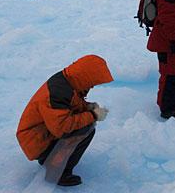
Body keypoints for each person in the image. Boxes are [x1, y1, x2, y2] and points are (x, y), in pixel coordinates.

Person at [16, 55, 114, 186]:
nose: (92, 87)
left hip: (41, 134)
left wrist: (87, 107)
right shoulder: (57, 92)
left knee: (86, 126)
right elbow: (62, 127)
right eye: (92, 83)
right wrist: (93, 115)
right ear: (86, 77)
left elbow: (69, 106)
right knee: (84, 129)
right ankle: (56, 172)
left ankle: (48, 158)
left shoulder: (67, 81)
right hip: (35, 140)